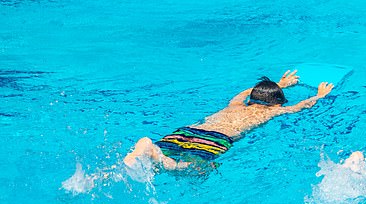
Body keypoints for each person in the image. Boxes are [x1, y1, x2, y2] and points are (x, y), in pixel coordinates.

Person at [124, 70, 334, 171]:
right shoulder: (268, 113)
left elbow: (243, 93)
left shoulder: (235, 104)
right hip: (218, 138)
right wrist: (319, 95)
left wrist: (279, 83)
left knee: (167, 152)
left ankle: (146, 150)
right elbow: (299, 107)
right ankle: (160, 159)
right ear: (277, 104)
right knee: (197, 169)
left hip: (187, 131)